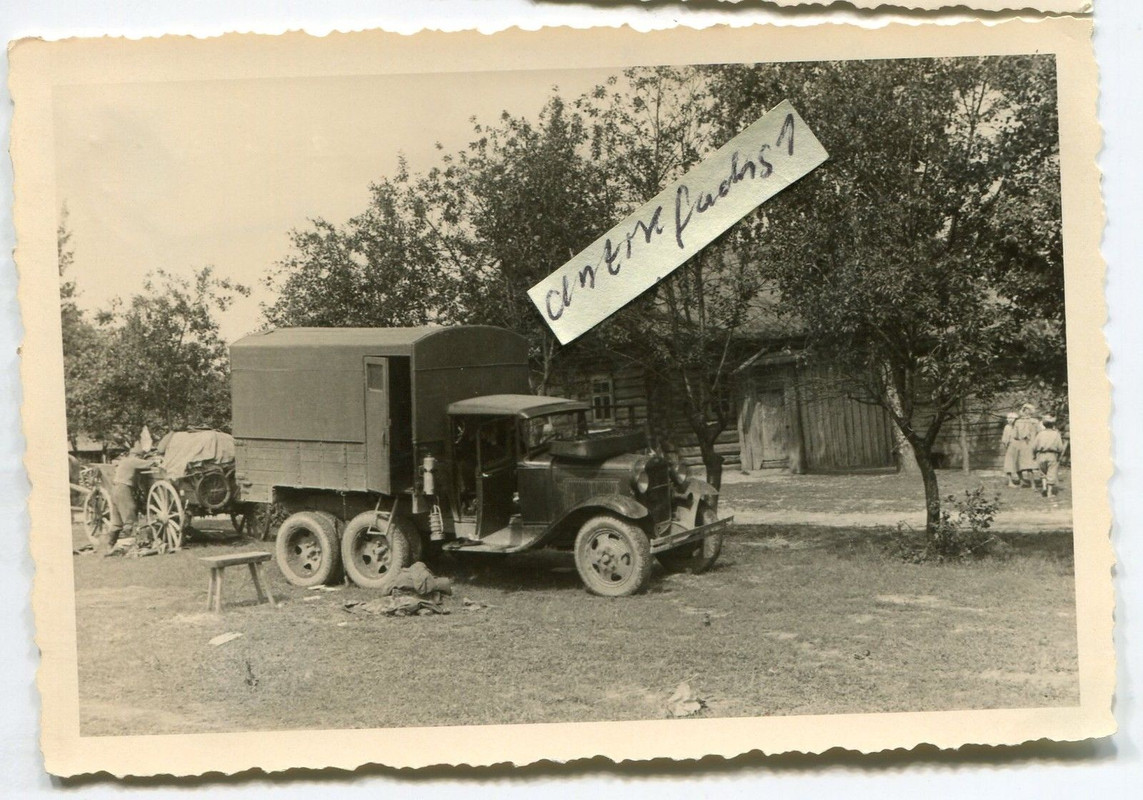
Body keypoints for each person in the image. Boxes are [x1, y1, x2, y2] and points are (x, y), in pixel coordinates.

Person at [103, 445, 153, 555]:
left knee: (117, 522)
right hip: (123, 489)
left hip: (115, 489)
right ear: (137, 455)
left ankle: (109, 546)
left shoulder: (124, 461)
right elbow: (150, 464)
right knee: (130, 515)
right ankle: (128, 546)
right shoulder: (133, 461)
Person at [1032, 415, 1066, 498]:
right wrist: (1059, 455)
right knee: (1051, 472)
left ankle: (1044, 488)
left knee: (1043, 472)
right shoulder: (1056, 434)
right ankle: (1049, 493)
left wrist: (1034, 455)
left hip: (1041, 455)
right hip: (1052, 455)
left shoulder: (1040, 434)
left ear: (1044, 425)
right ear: (1053, 425)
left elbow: (1034, 446)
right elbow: (1060, 447)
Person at [1011, 403, 1042, 488]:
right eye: (1025, 410)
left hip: (1030, 445)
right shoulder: (1018, 422)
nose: (1026, 412)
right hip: (1021, 444)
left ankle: (1033, 484)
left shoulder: (1034, 421)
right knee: (1018, 464)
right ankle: (1022, 481)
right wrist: (1020, 437)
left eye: (1028, 410)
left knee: (1029, 466)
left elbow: (1040, 432)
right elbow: (1015, 435)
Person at [1000, 412, 1020, 487]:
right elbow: (1005, 439)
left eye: (1013, 419)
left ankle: (1021, 480)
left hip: (1018, 446)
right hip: (1011, 446)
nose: (1011, 420)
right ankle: (1010, 482)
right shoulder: (1007, 427)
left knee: (1018, 463)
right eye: (1009, 419)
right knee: (1009, 463)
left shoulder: (1017, 427)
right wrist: (1006, 444)